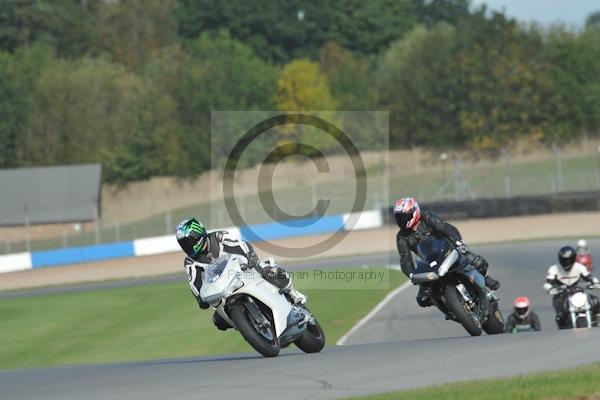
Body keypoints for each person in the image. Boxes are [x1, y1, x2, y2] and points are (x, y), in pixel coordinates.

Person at [175, 218, 306, 330]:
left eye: (189, 242)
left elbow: (240, 244)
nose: (187, 246)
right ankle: (248, 324)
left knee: (272, 272)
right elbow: (194, 282)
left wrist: (250, 255)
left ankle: (295, 296)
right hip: (223, 287)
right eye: (184, 245)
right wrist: (199, 297)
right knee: (218, 320)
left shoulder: (217, 237)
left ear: (198, 234)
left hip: (244, 270)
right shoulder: (190, 262)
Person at [393, 197, 500, 307]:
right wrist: (411, 274)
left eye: (405, 217)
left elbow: (446, 228)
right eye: (399, 218)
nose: (402, 220)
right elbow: (404, 258)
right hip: (429, 263)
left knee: (478, 262)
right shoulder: (401, 237)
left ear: (415, 211)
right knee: (422, 299)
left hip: (448, 251)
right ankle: (449, 307)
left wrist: (458, 242)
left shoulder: (426, 218)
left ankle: (486, 278)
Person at [543, 245, 600, 329]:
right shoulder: (554, 269)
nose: (566, 262)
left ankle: (597, 319)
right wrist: (551, 289)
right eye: (564, 260)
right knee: (559, 315)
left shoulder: (579, 267)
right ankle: (563, 327)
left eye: (568, 260)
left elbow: (589, 277)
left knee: (596, 301)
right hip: (561, 294)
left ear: (573, 258)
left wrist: (594, 283)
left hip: (577, 292)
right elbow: (548, 283)